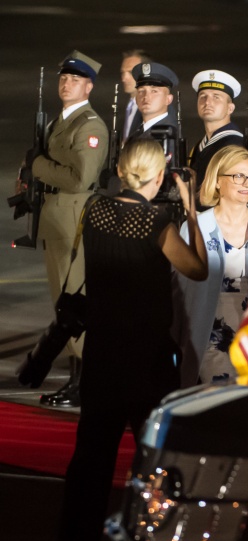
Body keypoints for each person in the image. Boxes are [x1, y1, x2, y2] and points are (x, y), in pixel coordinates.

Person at [48, 139, 207, 541]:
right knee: (157, 472)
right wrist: (192, 214)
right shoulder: (159, 221)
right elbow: (197, 269)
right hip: (147, 364)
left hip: (102, 360)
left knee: (88, 473)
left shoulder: (94, 211)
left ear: (119, 170)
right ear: (159, 178)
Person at [30, 51, 109, 408]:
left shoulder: (89, 125)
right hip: (57, 219)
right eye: (64, 78)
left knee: (73, 305)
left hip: (72, 221)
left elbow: (81, 180)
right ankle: (80, 379)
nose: (66, 84)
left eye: (75, 80)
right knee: (63, 303)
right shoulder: (63, 120)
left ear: (89, 86)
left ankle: (86, 382)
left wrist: (39, 167)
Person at [174, 146, 248, 387]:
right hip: (212, 327)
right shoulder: (196, 226)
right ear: (218, 181)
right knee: (220, 398)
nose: (247, 183)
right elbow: (179, 288)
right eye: (238, 176)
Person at [187, 69, 245, 186]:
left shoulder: (234, 145)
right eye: (203, 96)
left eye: (216, 97)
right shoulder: (200, 145)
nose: (208, 102)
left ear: (230, 108)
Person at [120, 49, 149, 141]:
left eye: (130, 72)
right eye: (122, 73)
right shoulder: (129, 106)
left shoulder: (152, 108)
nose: (124, 79)